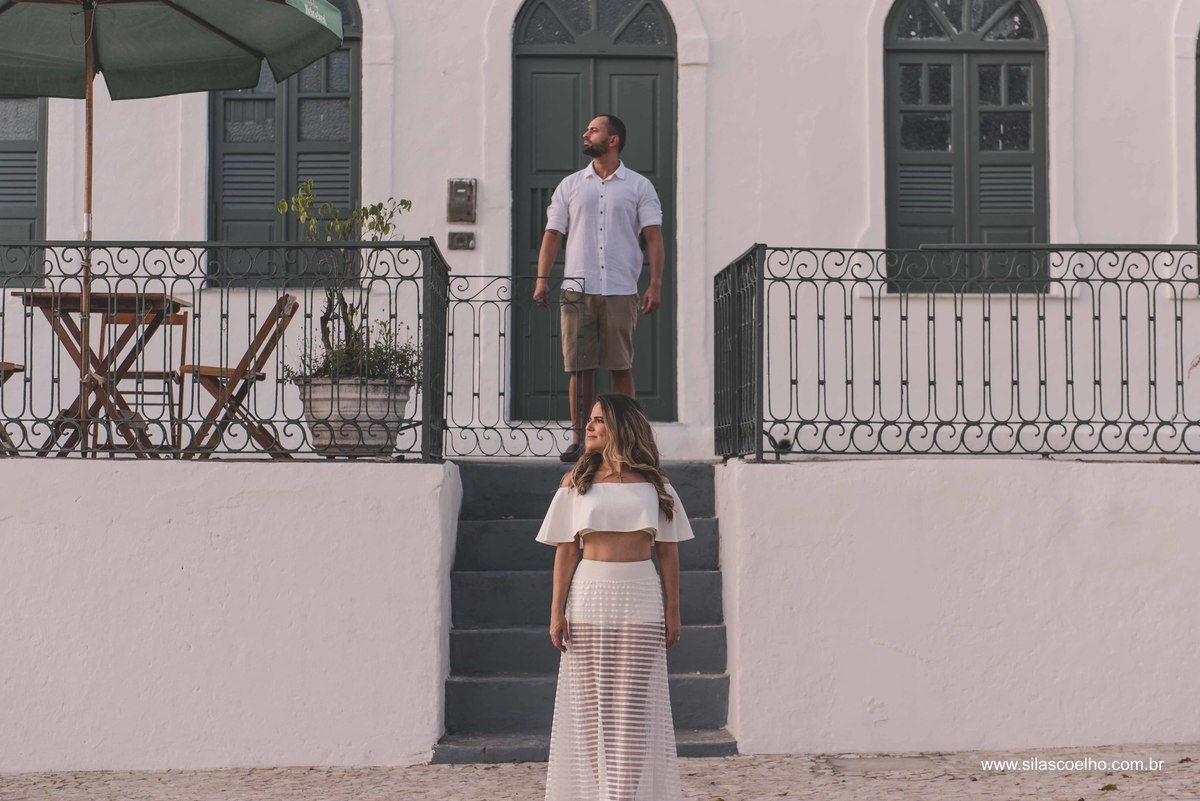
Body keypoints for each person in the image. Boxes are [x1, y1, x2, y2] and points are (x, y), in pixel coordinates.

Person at [536, 393, 693, 801]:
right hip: (588, 599)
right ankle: (601, 792)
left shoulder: (656, 484)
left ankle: (622, 795)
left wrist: (673, 610)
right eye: (589, 419)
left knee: (632, 711)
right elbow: (566, 550)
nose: (588, 426)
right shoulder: (576, 483)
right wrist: (556, 612)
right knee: (592, 711)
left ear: (621, 427)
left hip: (641, 599)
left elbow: (669, 551)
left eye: (598, 420)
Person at [532, 114, 666, 462]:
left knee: (620, 366)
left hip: (621, 288)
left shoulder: (639, 187)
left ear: (613, 139)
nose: (585, 134)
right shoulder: (570, 185)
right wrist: (542, 279)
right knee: (579, 368)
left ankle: (627, 439)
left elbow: (653, 237)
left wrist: (655, 284)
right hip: (577, 289)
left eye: (593, 130)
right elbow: (553, 234)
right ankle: (580, 439)